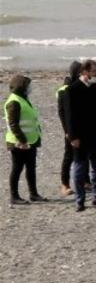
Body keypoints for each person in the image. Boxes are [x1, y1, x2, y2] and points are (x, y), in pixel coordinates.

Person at [65, 60, 96, 211]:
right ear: (84, 72)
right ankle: (80, 200)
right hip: (81, 136)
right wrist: (73, 137)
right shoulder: (72, 90)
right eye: (94, 71)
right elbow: (69, 116)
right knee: (79, 168)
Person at [6, 74, 44, 204]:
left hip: (30, 140)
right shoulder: (14, 101)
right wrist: (22, 141)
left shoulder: (23, 98)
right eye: (28, 85)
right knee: (17, 168)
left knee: (31, 168)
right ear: (22, 86)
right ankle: (14, 196)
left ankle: (34, 194)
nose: (30, 88)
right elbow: (13, 124)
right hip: (18, 142)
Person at [56, 61, 82, 196]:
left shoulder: (81, 85)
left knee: (84, 154)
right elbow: (62, 112)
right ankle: (64, 184)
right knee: (69, 155)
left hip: (82, 126)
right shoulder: (64, 89)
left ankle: (86, 181)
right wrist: (67, 131)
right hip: (70, 128)